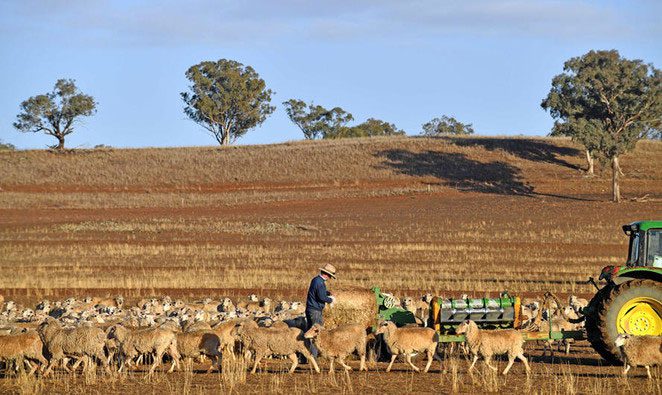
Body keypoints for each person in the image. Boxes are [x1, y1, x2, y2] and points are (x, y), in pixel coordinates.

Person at [305, 263, 337, 358]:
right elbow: (321, 297)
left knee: (309, 332)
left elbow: (317, 292)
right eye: (330, 276)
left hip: (310, 309)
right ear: (326, 274)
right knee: (316, 334)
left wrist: (327, 292)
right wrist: (331, 299)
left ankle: (307, 355)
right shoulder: (320, 283)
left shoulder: (315, 280)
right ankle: (313, 357)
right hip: (315, 310)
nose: (330, 278)